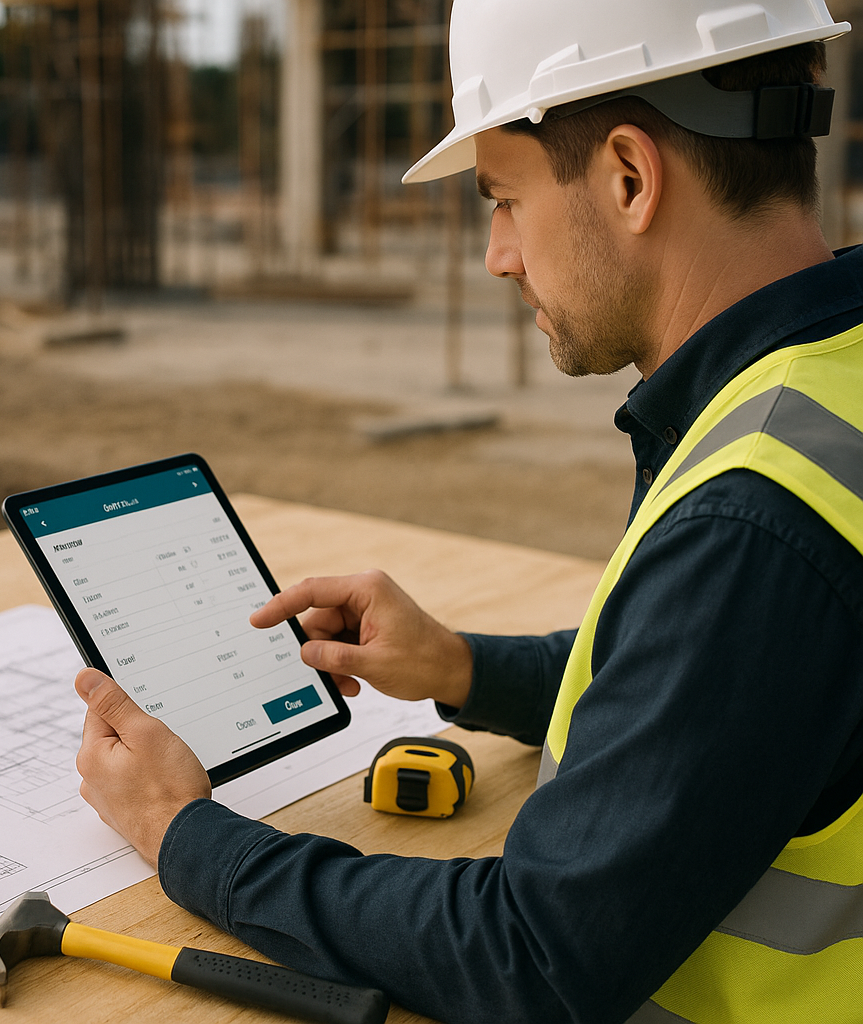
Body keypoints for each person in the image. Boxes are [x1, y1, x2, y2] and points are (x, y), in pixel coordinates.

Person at [72, 1, 863, 1021]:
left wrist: (187, 833)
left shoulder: (754, 519)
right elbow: (719, 692)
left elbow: (528, 954)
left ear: (628, 176)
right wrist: (461, 667)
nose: (497, 254)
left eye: (503, 198)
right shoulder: (824, 390)